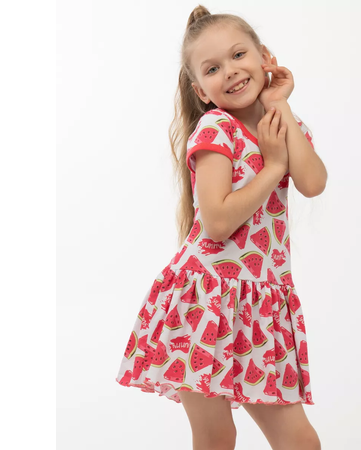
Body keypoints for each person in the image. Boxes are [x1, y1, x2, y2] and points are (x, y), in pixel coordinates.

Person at [116, 4, 327, 449]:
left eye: (238, 55)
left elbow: (313, 183)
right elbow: (216, 222)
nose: (229, 71)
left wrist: (280, 105)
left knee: (299, 440)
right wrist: (273, 167)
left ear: (265, 57)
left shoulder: (283, 124)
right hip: (205, 299)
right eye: (212, 69)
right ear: (201, 90)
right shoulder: (216, 129)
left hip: (260, 305)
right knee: (216, 436)